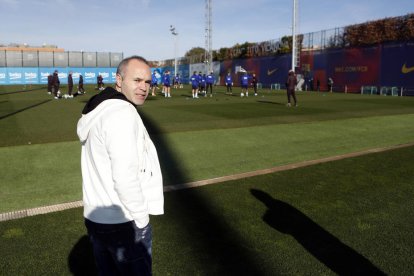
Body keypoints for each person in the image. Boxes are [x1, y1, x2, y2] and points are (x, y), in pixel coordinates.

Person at [77, 55, 164, 276]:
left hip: (96, 219)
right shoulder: (122, 113)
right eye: (137, 80)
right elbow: (125, 177)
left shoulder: (101, 109)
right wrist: (142, 221)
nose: (144, 87)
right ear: (119, 80)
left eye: (147, 82)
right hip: (123, 222)